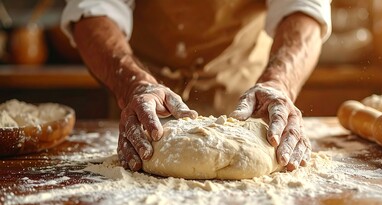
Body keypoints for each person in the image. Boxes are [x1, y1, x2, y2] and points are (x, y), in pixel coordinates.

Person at [61, 0, 331, 172]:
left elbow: (303, 7)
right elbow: (93, 9)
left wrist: (279, 83)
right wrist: (135, 85)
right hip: (143, 103)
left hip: (245, 90)